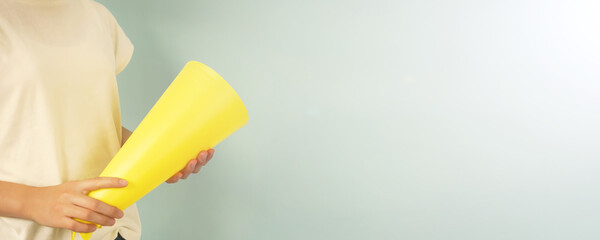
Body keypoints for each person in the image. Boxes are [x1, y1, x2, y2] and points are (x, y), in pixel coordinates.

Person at [0, 0, 214, 239]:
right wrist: (31, 201)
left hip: (114, 229)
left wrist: (160, 157)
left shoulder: (97, 16)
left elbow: (92, 121)